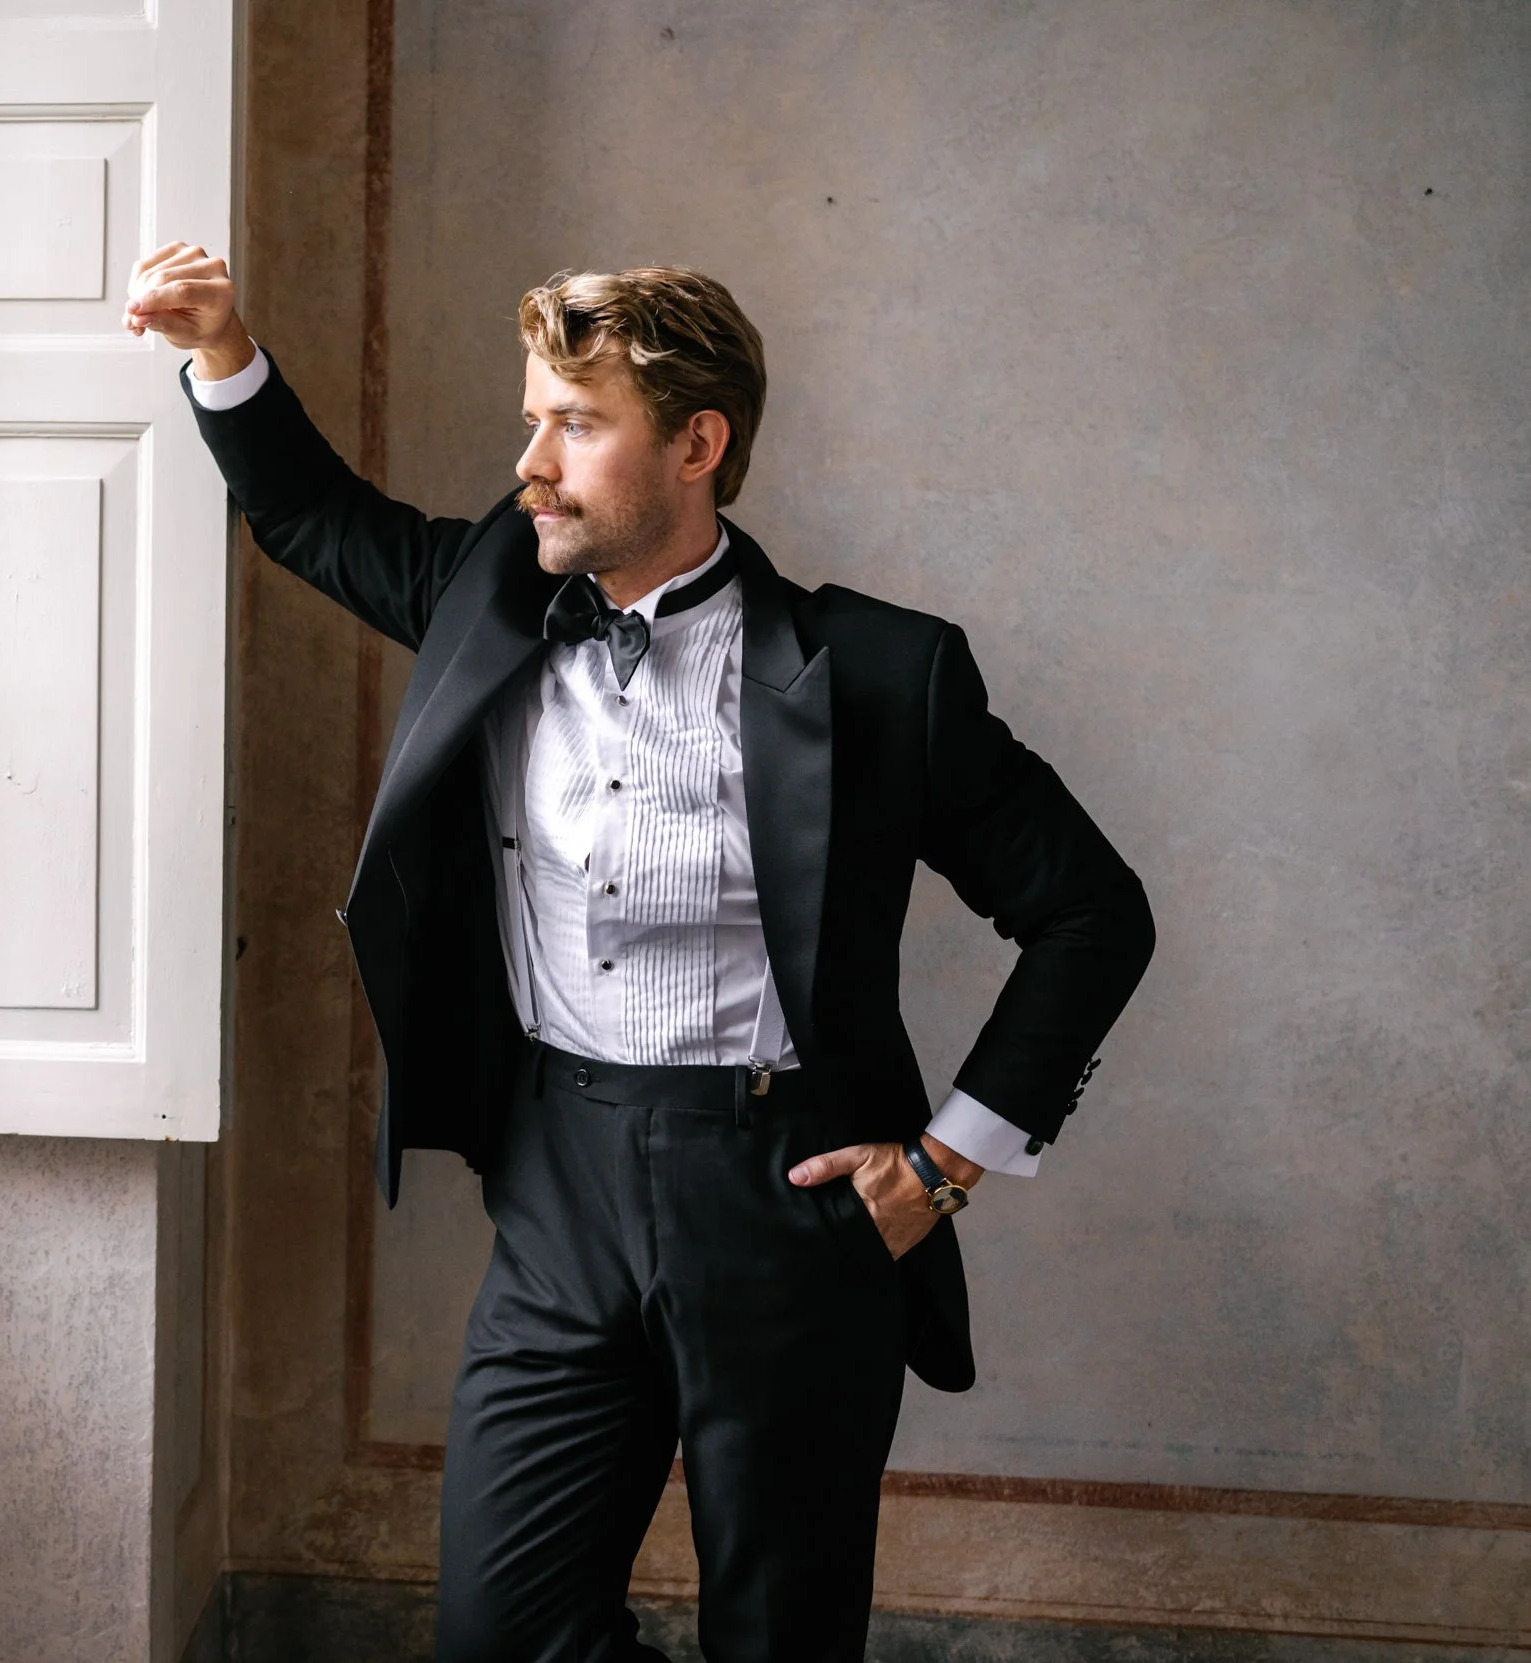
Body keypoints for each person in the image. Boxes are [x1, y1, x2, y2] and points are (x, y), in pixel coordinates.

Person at [126, 240, 1154, 1663]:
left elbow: (1094, 909)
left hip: (786, 1192)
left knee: (779, 1637)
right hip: (557, 1178)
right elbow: (309, 517)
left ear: (698, 443)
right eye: (533, 413)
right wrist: (221, 346)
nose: (531, 459)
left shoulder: (874, 673)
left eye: (577, 421)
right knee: (505, 1634)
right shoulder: (485, 595)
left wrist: (941, 1165)